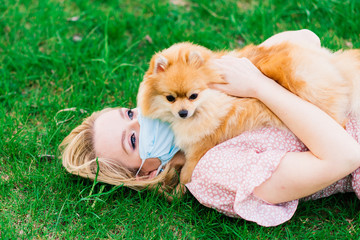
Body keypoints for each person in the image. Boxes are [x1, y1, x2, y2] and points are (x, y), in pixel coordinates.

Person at [60, 30, 360, 226]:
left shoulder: (204, 96)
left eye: (128, 113)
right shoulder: (210, 172)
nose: (143, 118)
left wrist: (244, 64)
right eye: (134, 138)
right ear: (149, 172)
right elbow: (345, 155)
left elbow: (308, 40)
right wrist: (260, 86)